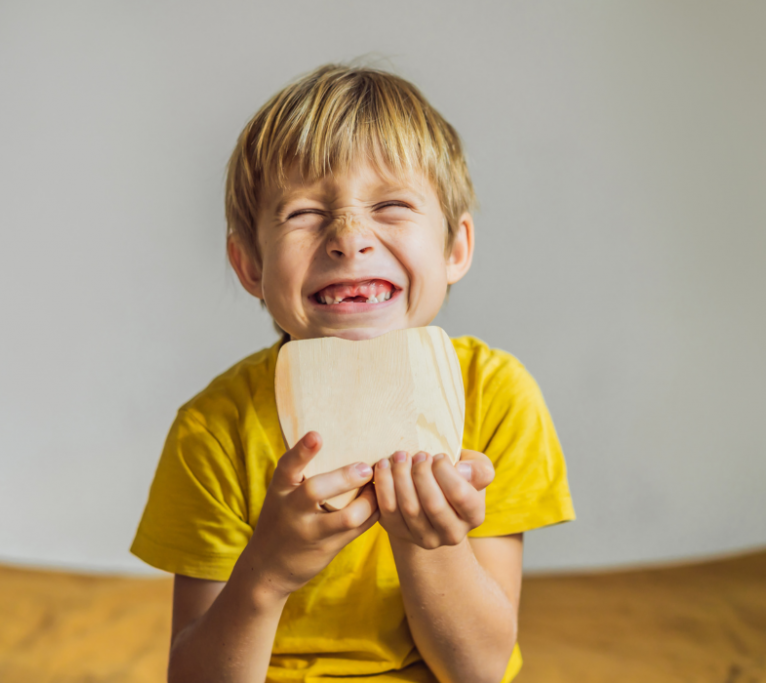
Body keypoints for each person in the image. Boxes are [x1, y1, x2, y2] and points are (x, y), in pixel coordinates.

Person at [130, 63, 574, 683]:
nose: (349, 238)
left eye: (391, 205)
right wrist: (267, 574)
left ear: (455, 249)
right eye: (303, 214)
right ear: (249, 263)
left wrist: (429, 543)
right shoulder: (212, 432)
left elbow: (478, 670)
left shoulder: (496, 395)